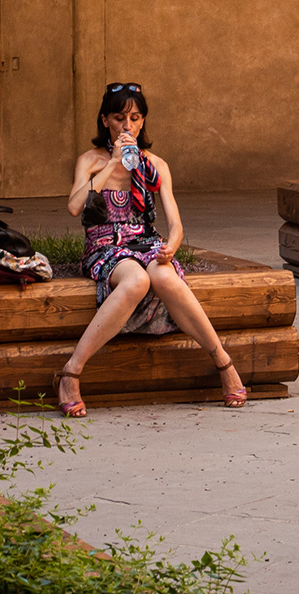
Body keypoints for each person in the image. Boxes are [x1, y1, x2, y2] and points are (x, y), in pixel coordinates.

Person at [57, 80, 247, 417]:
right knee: (136, 281)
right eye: (119, 118)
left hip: (145, 242)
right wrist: (114, 163)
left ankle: (222, 361)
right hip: (105, 247)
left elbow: (174, 223)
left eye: (134, 118)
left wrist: (172, 246)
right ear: (105, 121)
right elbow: (76, 208)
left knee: (167, 278)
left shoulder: (156, 164)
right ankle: (72, 372)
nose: (126, 126)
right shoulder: (90, 160)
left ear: (143, 121)